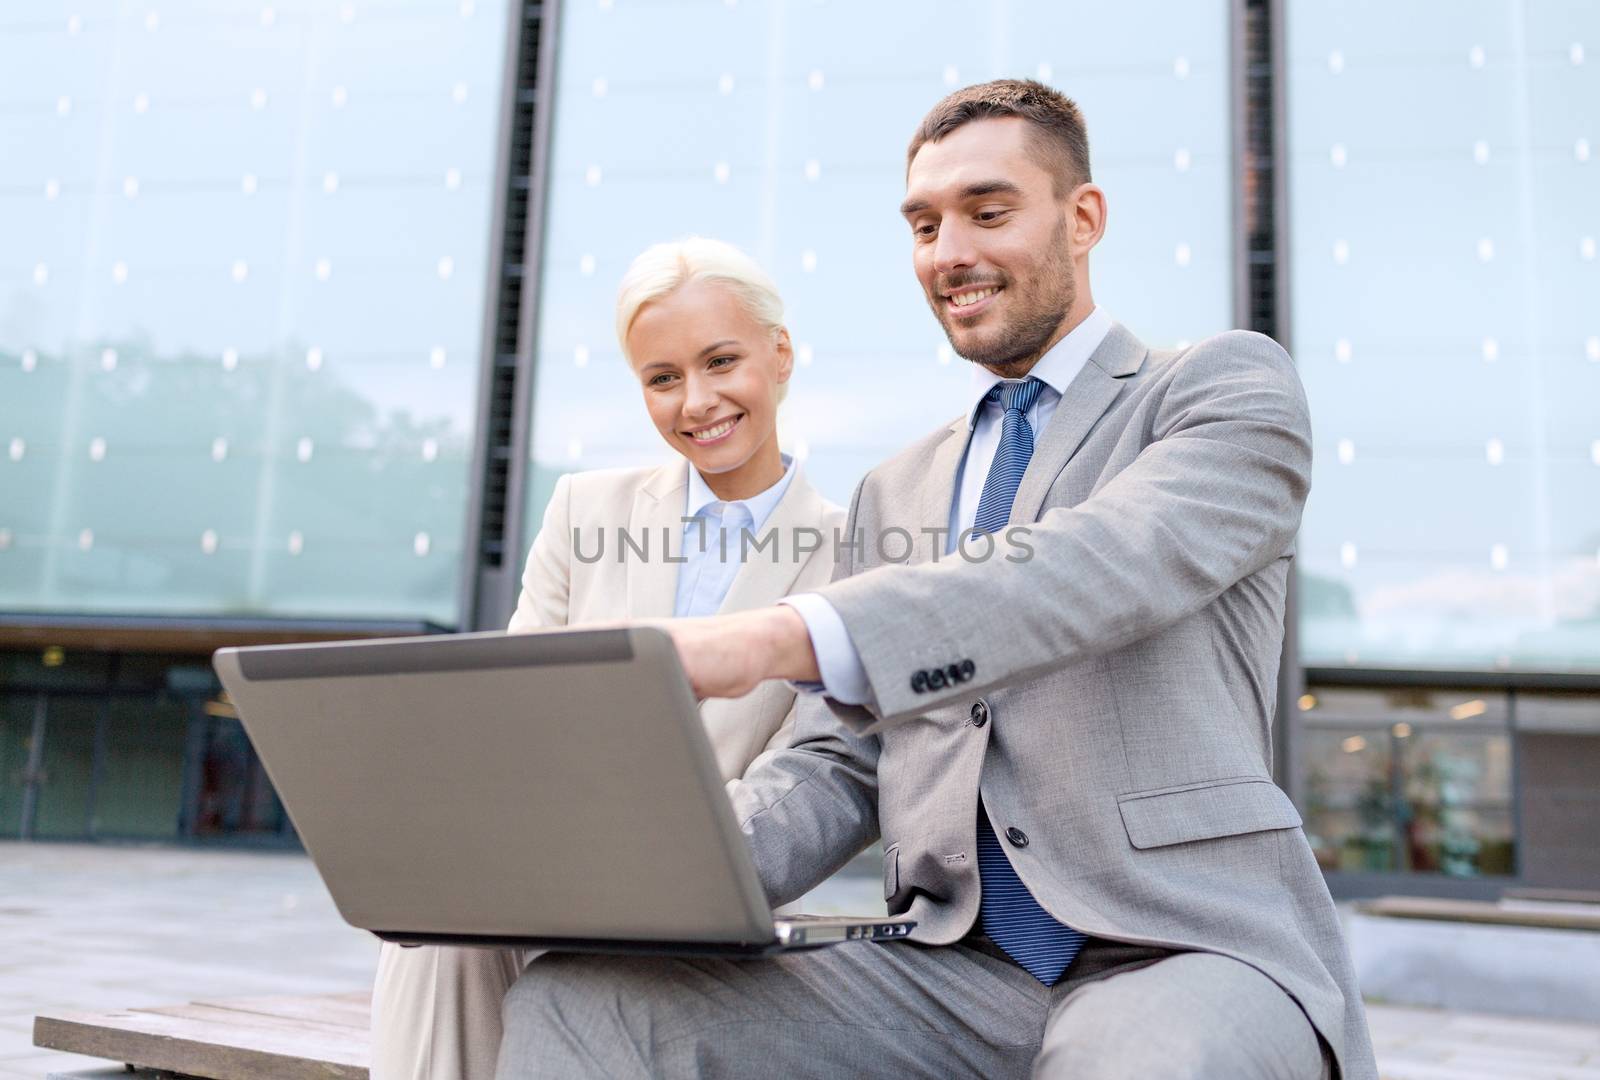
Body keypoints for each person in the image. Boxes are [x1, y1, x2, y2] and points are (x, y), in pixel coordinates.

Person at [495, 81, 1380, 1080]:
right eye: (924, 224)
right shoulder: (896, 488)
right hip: (953, 967)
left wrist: (775, 633)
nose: (948, 250)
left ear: (1081, 218)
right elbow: (840, 757)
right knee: (584, 999)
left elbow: (1088, 567)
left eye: (987, 212)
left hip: (1184, 947)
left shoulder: (1217, 392)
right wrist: (648, 871)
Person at [369, 236, 845, 1080]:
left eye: (720, 361)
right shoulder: (586, 508)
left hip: (715, 905)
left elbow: (810, 771)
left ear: (779, 354)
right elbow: (509, 723)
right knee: (441, 934)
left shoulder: (853, 552)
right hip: (547, 870)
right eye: (663, 379)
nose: (696, 402)